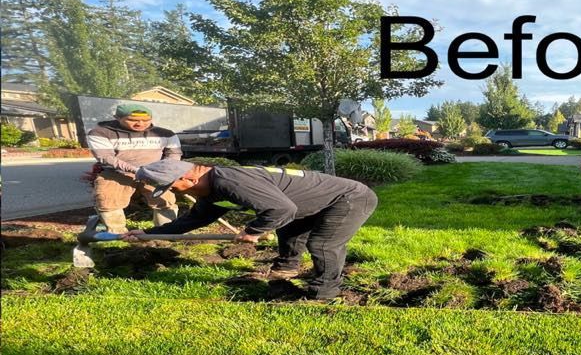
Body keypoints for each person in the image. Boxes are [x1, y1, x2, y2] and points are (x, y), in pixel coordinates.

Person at [125, 159, 378, 300]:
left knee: (323, 244)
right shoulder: (212, 190)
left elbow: (281, 210)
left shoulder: (229, 182)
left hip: (349, 198)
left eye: (173, 187)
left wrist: (253, 230)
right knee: (289, 232)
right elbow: (193, 221)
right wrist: (147, 234)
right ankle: (286, 270)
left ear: (190, 179)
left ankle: (325, 293)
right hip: (308, 203)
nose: (173, 192)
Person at [85, 103, 182, 234]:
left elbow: (174, 153)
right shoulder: (100, 133)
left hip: (153, 173)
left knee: (165, 201)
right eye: (132, 120)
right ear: (117, 118)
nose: (140, 124)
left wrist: (166, 169)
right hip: (116, 173)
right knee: (108, 202)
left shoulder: (165, 134)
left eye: (146, 120)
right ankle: (117, 235)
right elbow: (106, 157)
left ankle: (167, 232)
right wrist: (136, 170)